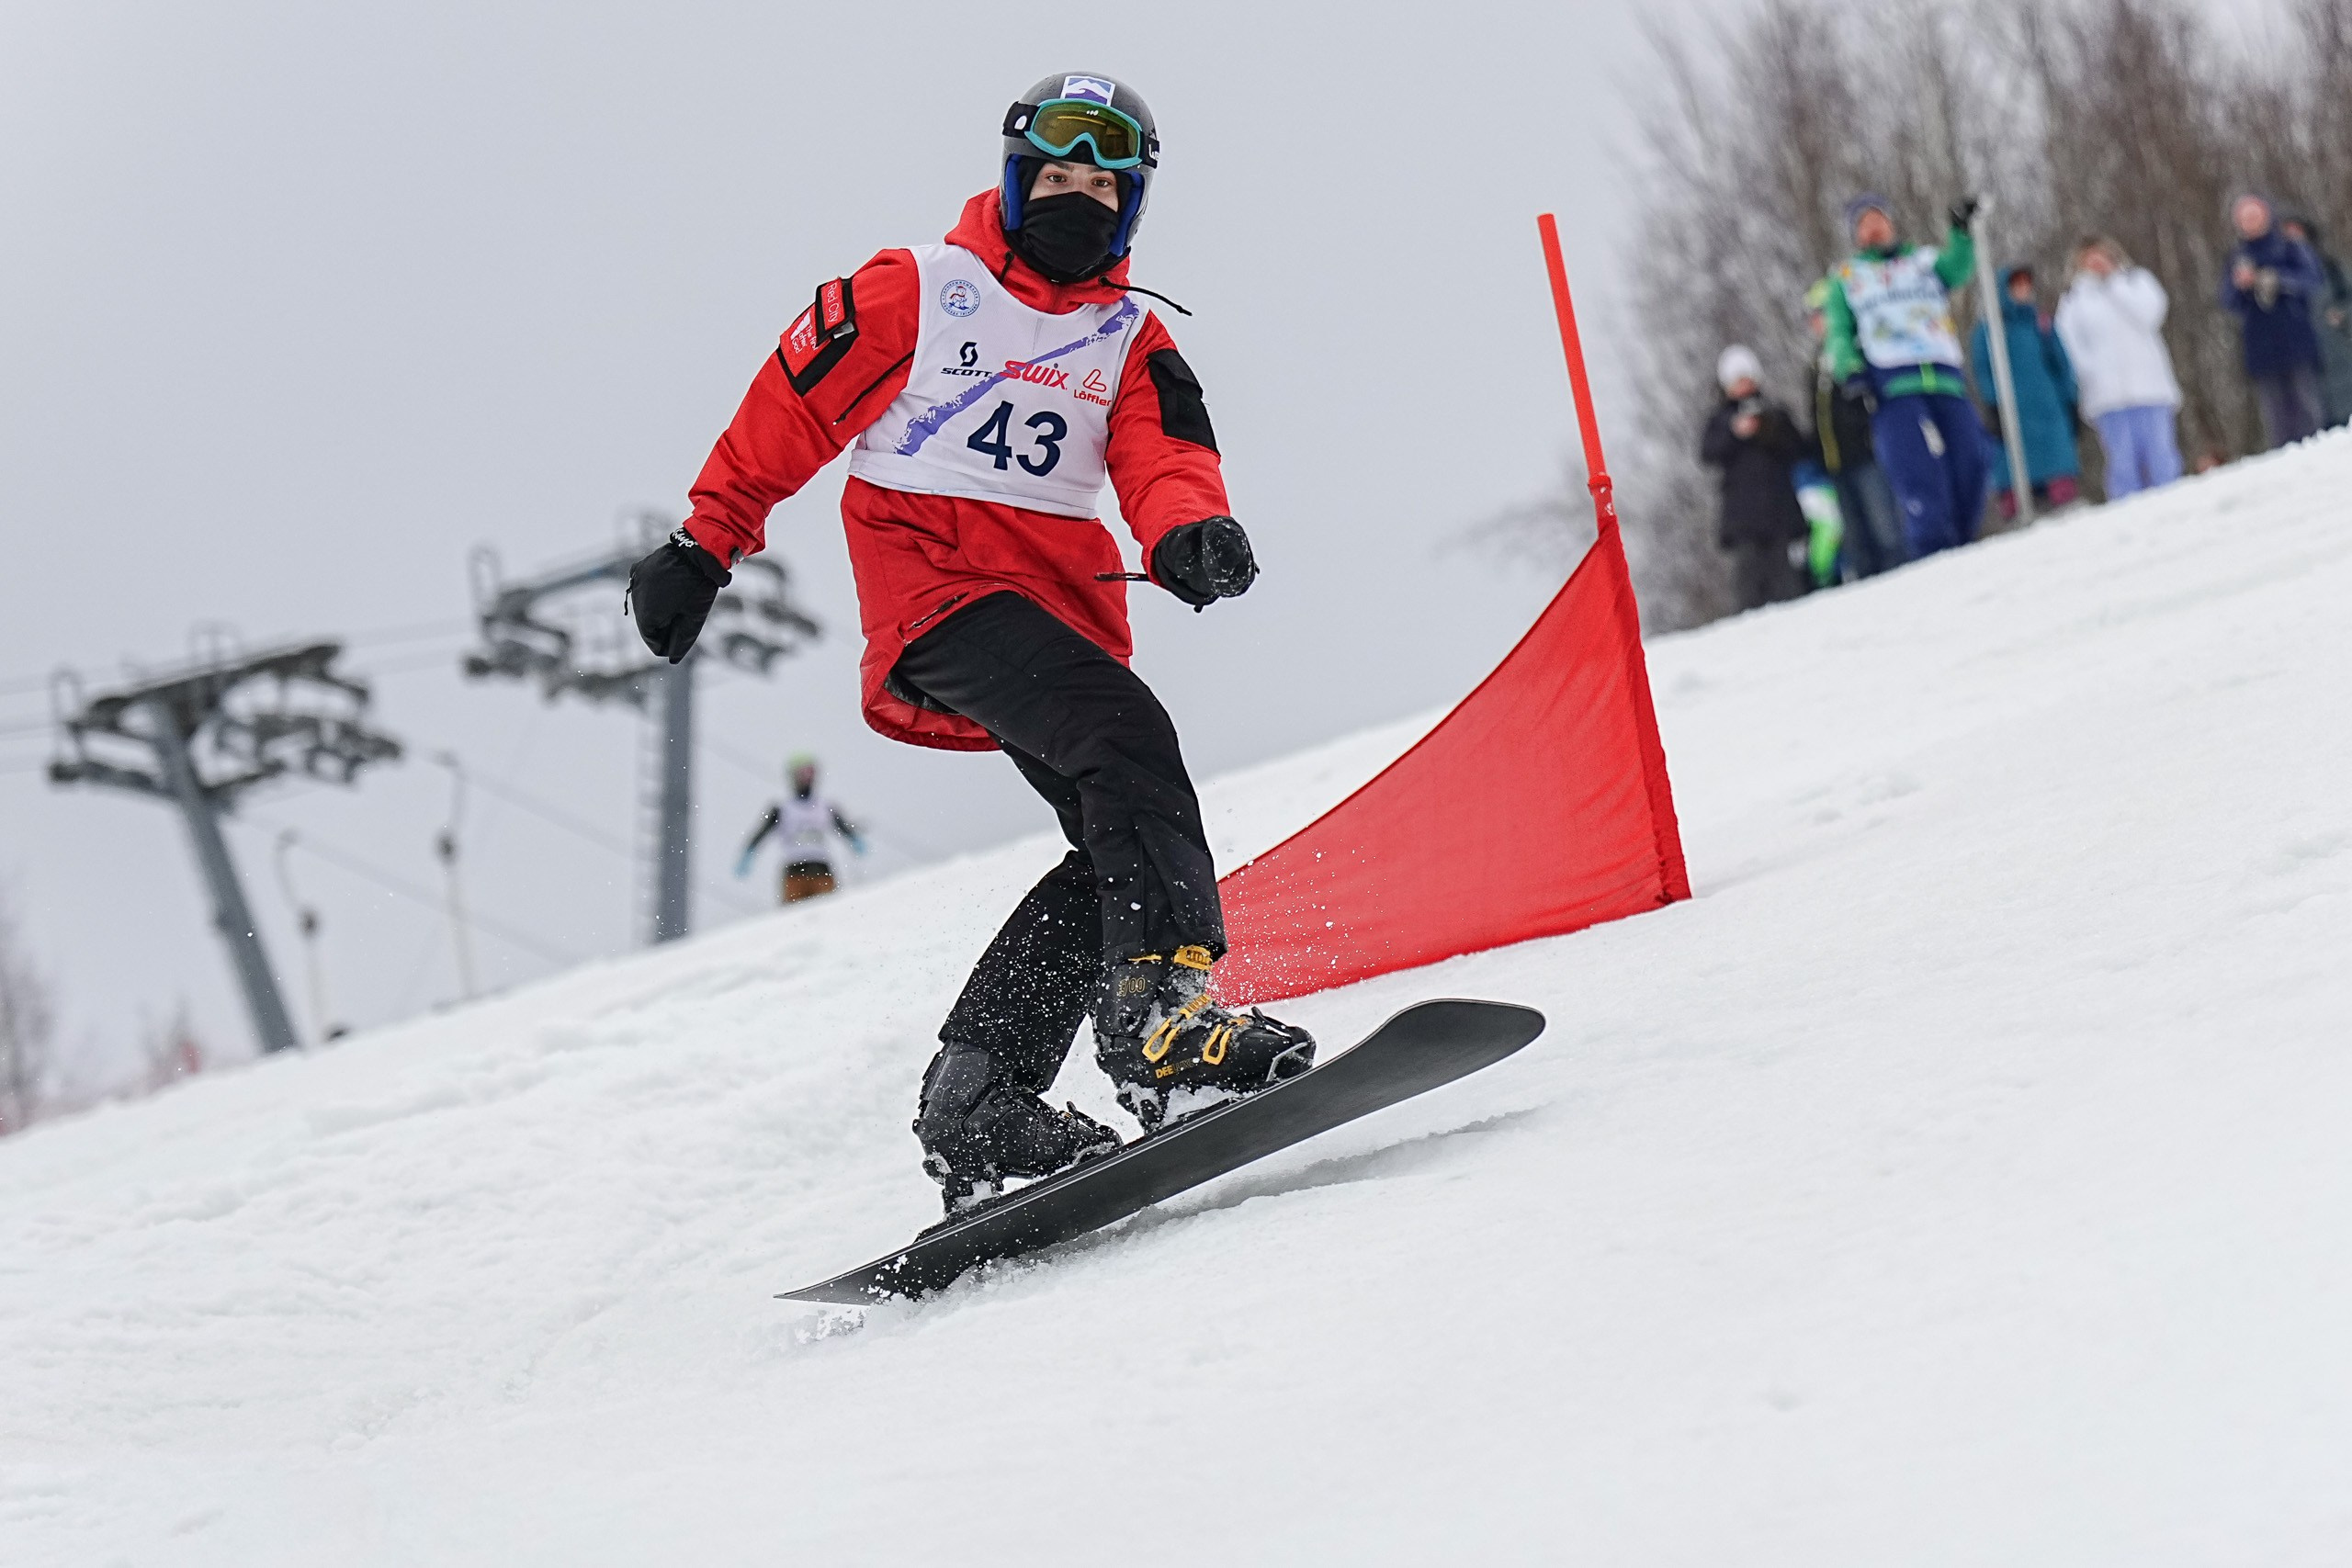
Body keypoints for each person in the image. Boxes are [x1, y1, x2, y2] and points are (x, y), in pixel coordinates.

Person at [624, 73, 1315, 1219]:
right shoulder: (920, 292)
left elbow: (1164, 458)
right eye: (1054, 178)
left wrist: (1192, 534)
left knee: (1113, 847)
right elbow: (789, 406)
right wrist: (706, 543)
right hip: (937, 592)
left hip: (1058, 614)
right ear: (1012, 179)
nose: (1075, 200)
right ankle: (1157, 1025)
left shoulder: (1129, 337)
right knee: (1126, 743)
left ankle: (980, 1100)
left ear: (1132, 205)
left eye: (1101, 185)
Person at [1820, 192, 1990, 558]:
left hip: (1942, 371)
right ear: (1856, 234)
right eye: (1863, 224)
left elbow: (1958, 269)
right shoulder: (1847, 277)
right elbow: (1838, 331)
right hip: (1891, 379)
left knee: (1972, 458)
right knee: (1914, 468)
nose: (1873, 228)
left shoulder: (1922, 261)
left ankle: (1963, 540)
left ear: (1891, 223)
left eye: (1878, 219)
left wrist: (1960, 231)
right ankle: (1932, 547)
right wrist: (1850, 371)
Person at [2053, 236, 2183, 502]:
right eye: (2089, 259)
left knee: (2161, 453)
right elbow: (2068, 344)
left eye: (2101, 256)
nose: (2097, 263)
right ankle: (2127, 507)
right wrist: (2089, 373)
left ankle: (2173, 500)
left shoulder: (2136, 282)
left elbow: (2152, 315)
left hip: (2150, 386)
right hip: (2107, 394)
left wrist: (2115, 286)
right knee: (2123, 459)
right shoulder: (2074, 299)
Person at [1804, 278, 1905, 577]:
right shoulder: (1815, 367)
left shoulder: (1855, 350)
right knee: (1855, 538)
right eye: (1813, 316)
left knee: (1885, 530)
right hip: (1835, 465)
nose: (1818, 322)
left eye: (1822, 313)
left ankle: (1904, 580)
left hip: (1866, 456)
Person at [1699, 345, 1809, 610]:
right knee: (1749, 586)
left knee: (1788, 582)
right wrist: (1734, 433)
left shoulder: (1773, 412)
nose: (1743, 386)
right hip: (1743, 520)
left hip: (1779, 513)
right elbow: (1707, 453)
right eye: (1737, 381)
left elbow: (1799, 448)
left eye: (1746, 379)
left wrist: (1770, 431)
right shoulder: (1720, 420)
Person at [1969, 262, 2081, 518]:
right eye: (2015, 287)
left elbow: (2060, 363)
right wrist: (1993, 404)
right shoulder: (1989, 331)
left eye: (2025, 286)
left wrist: (2070, 399)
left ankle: (2064, 502)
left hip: (2048, 407)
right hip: (2012, 410)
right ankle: (2017, 510)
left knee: (2057, 465)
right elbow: (1983, 369)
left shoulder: (2040, 323)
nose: (2022, 292)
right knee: (2013, 465)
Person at [2218, 192, 2327, 449]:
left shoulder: (2289, 246)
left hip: (2295, 337)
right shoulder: (2236, 257)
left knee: (2307, 407)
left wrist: (2278, 280)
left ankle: (2317, 454)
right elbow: (2227, 301)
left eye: (2254, 215)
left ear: (2267, 215)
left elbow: (2313, 280)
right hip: (2261, 346)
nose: (2250, 222)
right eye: (2245, 218)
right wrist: (2241, 286)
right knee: (2276, 417)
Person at [737, 754, 866, 903]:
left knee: (829, 915)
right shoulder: (781, 809)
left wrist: (855, 840)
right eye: (802, 773)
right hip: (794, 872)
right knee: (795, 919)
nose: (807, 779)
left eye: (810, 773)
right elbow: (760, 834)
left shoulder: (826, 806)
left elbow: (845, 829)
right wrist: (748, 854)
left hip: (821, 869)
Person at [2277, 209, 2352, 428]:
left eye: (2296, 232)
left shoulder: (2331, 267)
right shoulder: (2280, 277)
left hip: (2337, 348)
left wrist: (2342, 314)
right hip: (2300, 353)